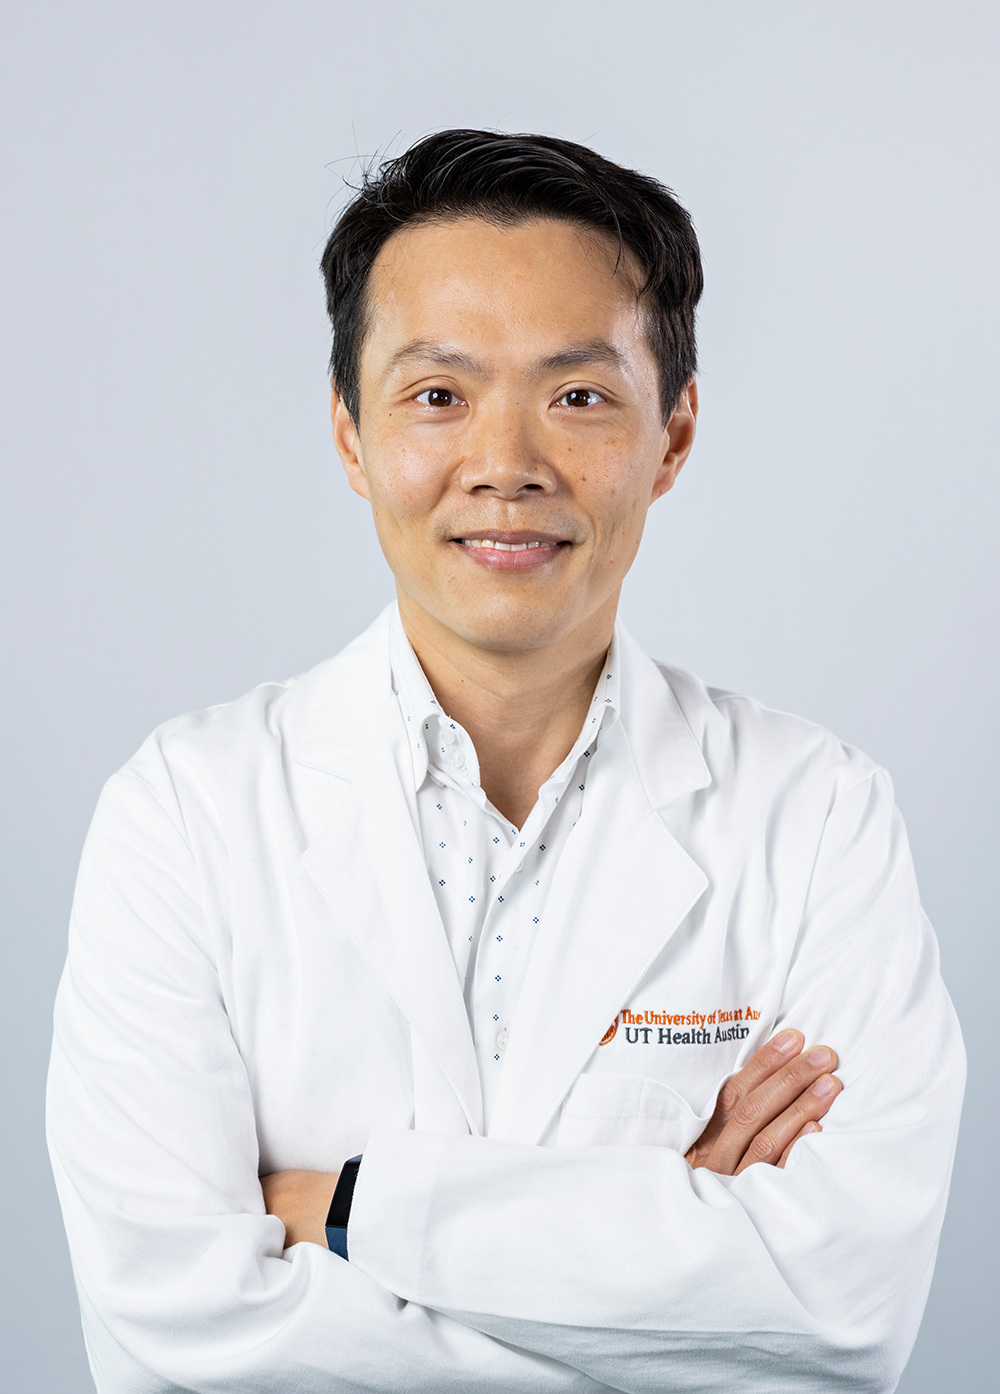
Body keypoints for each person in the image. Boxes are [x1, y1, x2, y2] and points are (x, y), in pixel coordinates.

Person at [47, 129, 964, 1393]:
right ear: (350, 434)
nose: (507, 464)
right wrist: (665, 1252)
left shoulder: (816, 816)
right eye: (437, 394)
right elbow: (182, 1328)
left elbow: (842, 1310)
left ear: (674, 433)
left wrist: (351, 1208)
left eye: (579, 394)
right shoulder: (187, 811)